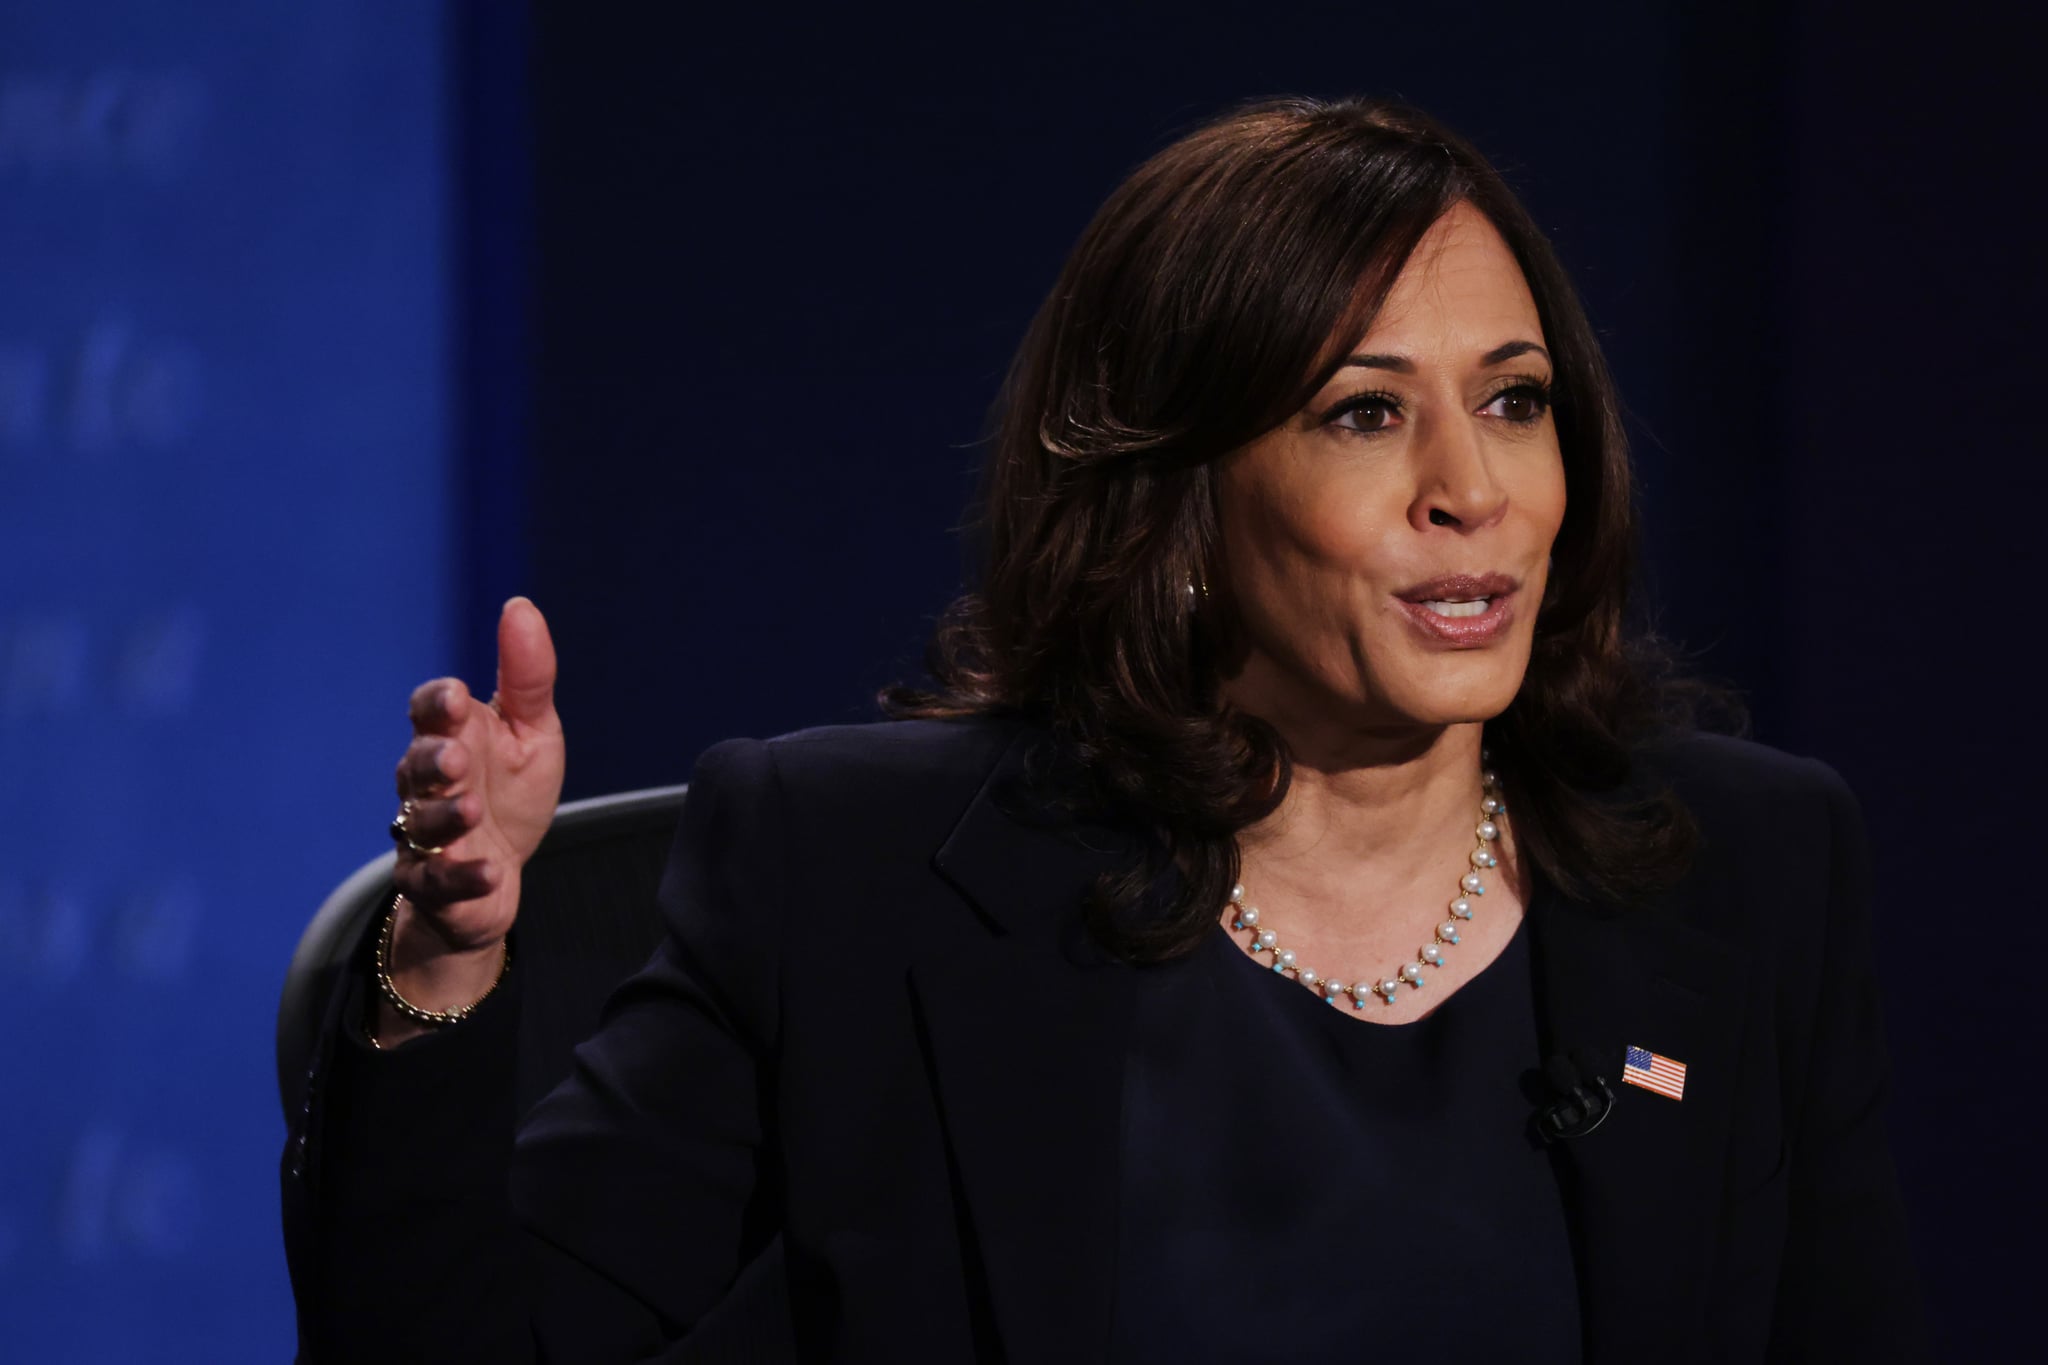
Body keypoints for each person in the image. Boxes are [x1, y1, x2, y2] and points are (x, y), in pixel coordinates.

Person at [283, 96, 1929, 1363]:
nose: (1475, 490)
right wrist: (448, 966)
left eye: (1516, 398)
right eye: (1365, 413)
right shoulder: (849, 875)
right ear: (1184, 491)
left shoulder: (1751, 873)